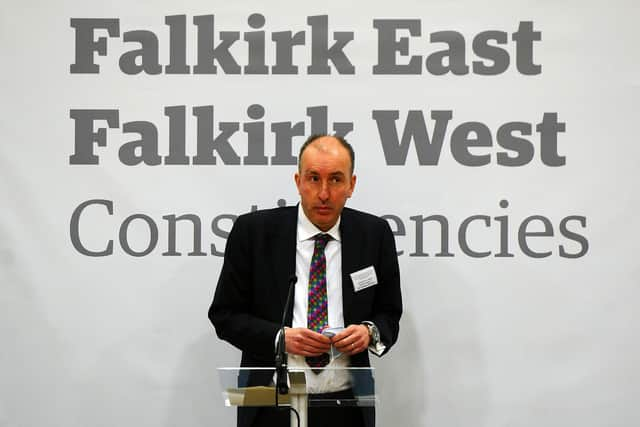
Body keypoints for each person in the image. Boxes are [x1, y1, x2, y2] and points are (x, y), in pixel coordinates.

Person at [209, 134, 402, 427]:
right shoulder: (254, 232)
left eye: (336, 179)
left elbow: (389, 314)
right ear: (298, 181)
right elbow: (224, 316)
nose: (323, 193)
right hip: (269, 401)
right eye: (314, 178)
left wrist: (369, 332)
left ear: (352, 185)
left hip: (346, 405)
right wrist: (280, 338)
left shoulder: (374, 235)